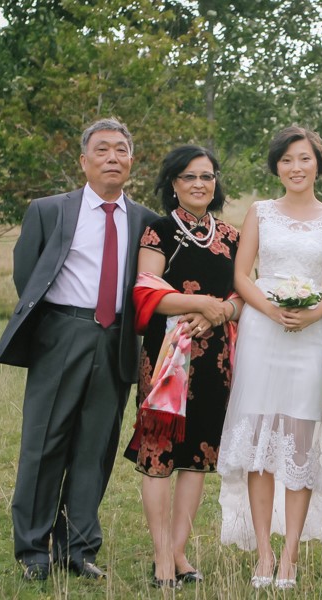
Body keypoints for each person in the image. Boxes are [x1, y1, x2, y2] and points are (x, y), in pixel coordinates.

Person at [0, 118, 159, 581]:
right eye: (102, 149)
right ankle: (33, 551)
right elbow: (27, 273)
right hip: (62, 333)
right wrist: (55, 326)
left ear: (132, 161)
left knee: (95, 447)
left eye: (121, 150)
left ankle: (79, 549)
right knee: (45, 443)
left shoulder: (147, 221)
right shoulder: (49, 210)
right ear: (83, 161)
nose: (112, 157)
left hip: (118, 340)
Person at [217, 126, 322, 589]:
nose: (296, 167)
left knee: (299, 440)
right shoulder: (260, 212)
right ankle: (264, 554)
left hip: (310, 337)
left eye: (304, 158)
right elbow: (241, 273)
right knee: (258, 443)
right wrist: (271, 310)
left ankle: (290, 556)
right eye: (287, 159)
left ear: (318, 164)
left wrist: (312, 315)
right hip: (262, 331)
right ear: (277, 167)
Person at [122, 146, 242, 589]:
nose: (199, 184)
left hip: (214, 360)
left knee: (197, 457)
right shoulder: (159, 231)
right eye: (189, 176)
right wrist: (203, 304)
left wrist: (222, 312)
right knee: (160, 454)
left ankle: (178, 552)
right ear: (173, 183)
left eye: (207, 176)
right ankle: (160, 557)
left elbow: (242, 294)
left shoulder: (231, 235)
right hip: (168, 357)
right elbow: (147, 292)